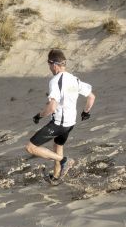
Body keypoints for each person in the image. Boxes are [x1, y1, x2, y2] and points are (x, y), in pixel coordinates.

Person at [25, 49, 95, 181]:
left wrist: (39, 115)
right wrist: (86, 112)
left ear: (54, 64)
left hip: (59, 124)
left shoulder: (55, 81)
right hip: (70, 123)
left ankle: (65, 161)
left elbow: (52, 107)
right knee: (57, 147)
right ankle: (56, 177)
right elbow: (91, 97)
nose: (49, 67)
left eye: (49, 64)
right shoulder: (74, 79)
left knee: (30, 147)